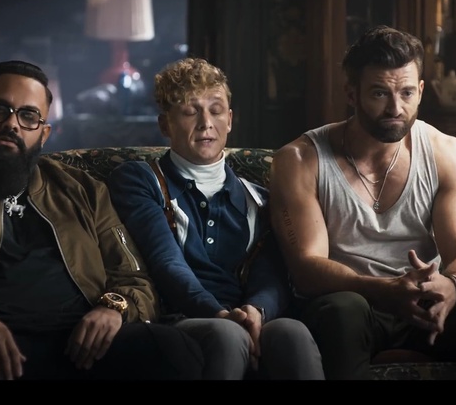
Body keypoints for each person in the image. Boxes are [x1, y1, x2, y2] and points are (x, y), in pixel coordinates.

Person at [0, 60, 204, 380]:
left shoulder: (86, 191)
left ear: (44, 134)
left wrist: (114, 308)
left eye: (28, 115)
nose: (11, 124)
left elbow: (136, 279)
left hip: (83, 349)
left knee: (173, 351)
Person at [268, 25, 456, 380]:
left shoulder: (447, 153)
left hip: (426, 305)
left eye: (407, 93)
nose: (396, 108)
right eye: (380, 93)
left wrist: (451, 287)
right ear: (351, 93)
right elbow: (306, 269)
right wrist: (383, 291)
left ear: (421, 90)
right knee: (341, 310)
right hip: (355, 306)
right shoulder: (301, 160)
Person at [107, 57, 324, 380]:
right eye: (190, 111)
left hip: (240, 316)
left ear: (230, 120)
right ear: (165, 124)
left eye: (216, 110)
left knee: (291, 332)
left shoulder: (258, 197)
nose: (205, 123)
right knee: (227, 334)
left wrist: (256, 312)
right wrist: (220, 314)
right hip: (175, 317)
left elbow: (272, 274)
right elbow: (166, 263)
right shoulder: (140, 180)